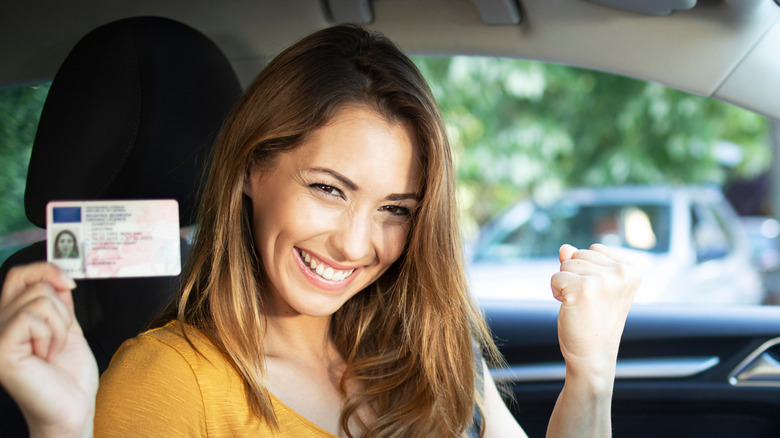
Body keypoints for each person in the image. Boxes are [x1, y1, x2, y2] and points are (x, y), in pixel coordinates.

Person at [0, 25, 639, 437]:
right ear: (253, 167)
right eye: (329, 189)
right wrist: (60, 429)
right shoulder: (168, 381)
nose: (356, 245)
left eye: (397, 208)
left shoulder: (430, 348)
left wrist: (589, 377)